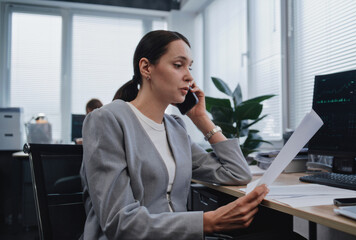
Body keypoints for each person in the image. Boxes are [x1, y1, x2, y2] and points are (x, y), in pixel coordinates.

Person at [80, 30, 269, 239]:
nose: (189, 76)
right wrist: (207, 222)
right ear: (146, 67)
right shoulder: (107, 120)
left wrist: (201, 119)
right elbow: (120, 222)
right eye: (178, 65)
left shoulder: (175, 128)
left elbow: (237, 173)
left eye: (190, 67)